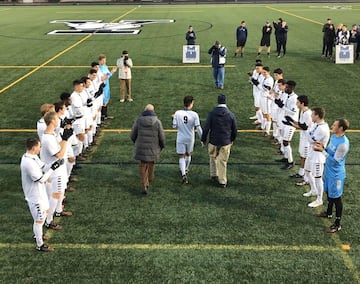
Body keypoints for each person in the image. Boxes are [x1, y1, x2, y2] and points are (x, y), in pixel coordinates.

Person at [20, 137, 64, 252]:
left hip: (40, 193)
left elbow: (44, 167)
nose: (40, 148)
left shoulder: (33, 157)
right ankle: (39, 244)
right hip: (34, 196)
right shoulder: (28, 162)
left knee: (44, 214)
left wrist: (55, 163)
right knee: (39, 220)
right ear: (34, 147)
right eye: (39, 146)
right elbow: (41, 179)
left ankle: (38, 235)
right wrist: (53, 169)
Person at [314, 119, 350, 233]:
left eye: (334, 125)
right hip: (329, 171)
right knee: (329, 192)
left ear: (340, 128)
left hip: (336, 175)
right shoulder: (334, 137)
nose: (332, 126)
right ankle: (329, 213)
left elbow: (335, 161)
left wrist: (321, 151)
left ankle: (337, 224)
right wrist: (323, 147)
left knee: (336, 198)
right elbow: (330, 151)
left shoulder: (343, 144)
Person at [40, 111, 73, 230]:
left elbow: (58, 146)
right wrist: (65, 139)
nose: (59, 120)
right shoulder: (48, 138)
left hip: (59, 169)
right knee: (55, 195)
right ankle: (49, 221)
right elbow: (59, 154)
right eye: (57, 119)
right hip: (55, 171)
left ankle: (58, 211)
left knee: (60, 192)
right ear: (52, 121)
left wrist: (65, 138)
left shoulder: (50, 134)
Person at [201, 94, 237, 188]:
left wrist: (203, 139)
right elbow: (234, 129)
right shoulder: (230, 114)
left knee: (212, 157)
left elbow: (206, 128)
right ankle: (222, 181)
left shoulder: (212, 113)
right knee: (223, 161)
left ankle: (213, 174)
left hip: (214, 140)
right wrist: (232, 139)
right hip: (225, 141)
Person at [130, 104, 165, 195]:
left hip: (141, 147)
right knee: (151, 162)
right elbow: (161, 136)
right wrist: (162, 146)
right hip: (153, 147)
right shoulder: (157, 122)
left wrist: (136, 143)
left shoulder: (139, 120)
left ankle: (144, 184)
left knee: (143, 165)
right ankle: (150, 177)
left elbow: (132, 134)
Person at [302, 107, 330, 208]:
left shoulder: (322, 129)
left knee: (318, 178)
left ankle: (319, 199)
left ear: (317, 116)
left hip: (318, 156)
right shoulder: (316, 125)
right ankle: (313, 190)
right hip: (311, 153)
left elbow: (310, 139)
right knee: (307, 171)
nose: (311, 116)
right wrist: (308, 132)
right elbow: (310, 136)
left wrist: (306, 131)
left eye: (312, 114)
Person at [172, 96, 203, 184]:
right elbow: (198, 128)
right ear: (191, 103)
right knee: (188, 154)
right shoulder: (194, 114)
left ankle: (183, 174)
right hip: (190, 138)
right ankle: (186, 169)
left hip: (180, 137)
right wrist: (202, 139)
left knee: (181, 156)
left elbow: (174, 126)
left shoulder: (177, 113)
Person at [286, 96, 313, 186]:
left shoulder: (307, 114)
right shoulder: (303, 112)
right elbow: (301, 124)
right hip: (303, 137)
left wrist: (291, 124)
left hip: (307, 139)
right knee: (302, 156)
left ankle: (306, 178)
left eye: (297, 102)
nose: (296, 104)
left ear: (302, 103)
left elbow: (304, 127)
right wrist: (293, 121)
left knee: (305, 158)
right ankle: (301, 172)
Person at [274, 80, 298, 170]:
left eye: (287, 87)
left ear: (292, 88)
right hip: (285, 121)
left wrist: (282, 106)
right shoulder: (287, 95)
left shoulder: (294, 98)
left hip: (291, 123)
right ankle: (286, 158)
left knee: (286, 142)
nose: (285, 88)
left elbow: (292, 112)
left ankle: (291, 162)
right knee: (284, 141)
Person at [98, 54, 117, 120]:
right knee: (103, 101)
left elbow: (108, 74)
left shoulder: (105, 66)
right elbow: (103, 78)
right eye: (103, 60)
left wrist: (112, 72)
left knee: (107, 100)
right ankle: (102, 116)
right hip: (103, 86)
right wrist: (111, 72)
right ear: (100, 61)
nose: (104, 62)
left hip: (107, 85)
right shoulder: (99, 69)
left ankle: (105, 115)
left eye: (105, 60)